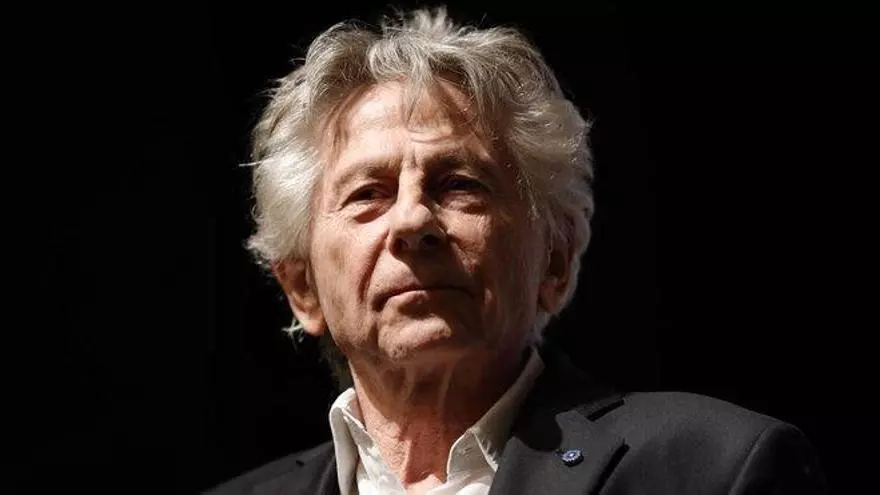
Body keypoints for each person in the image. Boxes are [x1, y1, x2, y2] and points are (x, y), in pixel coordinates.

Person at [208, 7, 826, 494]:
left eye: (460, 185)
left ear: (555, 259)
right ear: (302, 287)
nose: (413, 220)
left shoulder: (714, 469)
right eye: (368, 194)